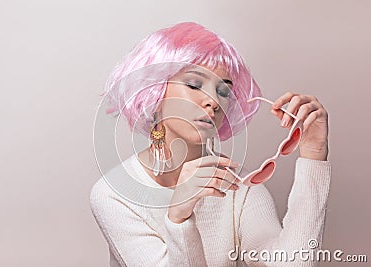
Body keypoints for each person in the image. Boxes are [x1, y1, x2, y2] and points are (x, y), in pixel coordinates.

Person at [90, 22, 331, 266]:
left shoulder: (241, 188)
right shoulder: (114, 195)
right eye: (194, 85)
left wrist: (313, 154)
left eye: (223, 92)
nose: (213, 101)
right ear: (154, 90)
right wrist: (179, 218)